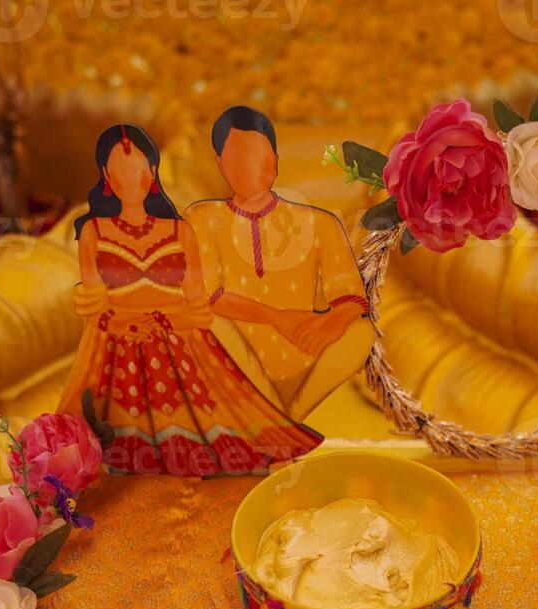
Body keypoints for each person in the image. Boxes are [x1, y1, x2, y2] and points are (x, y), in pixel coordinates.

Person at [55, 123, 321, 476]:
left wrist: (165, 322)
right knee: (111, 465)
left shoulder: (180, 231)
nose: (130, 180)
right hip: (117, 353)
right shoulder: (94, 232)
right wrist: (127, 323)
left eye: (138, 170)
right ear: (106, 175)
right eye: (120, 171)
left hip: (181, 348)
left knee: (215, 453)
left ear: (152, 173)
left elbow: (199, 308)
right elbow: (94, 305)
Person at [185, 106, 375, 421]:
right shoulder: (202, 219)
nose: (252, 166)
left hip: (302, 358)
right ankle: (279, 425)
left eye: (260, 155)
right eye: (239, 157)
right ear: (220, 164)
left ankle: (284, 422)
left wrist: (333, 321)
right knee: (208, 322)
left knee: (360, 332)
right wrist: (276, 317)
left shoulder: (320, 223)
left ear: (274, 160)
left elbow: (352, 297)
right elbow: (208, 296)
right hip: (235, 365)